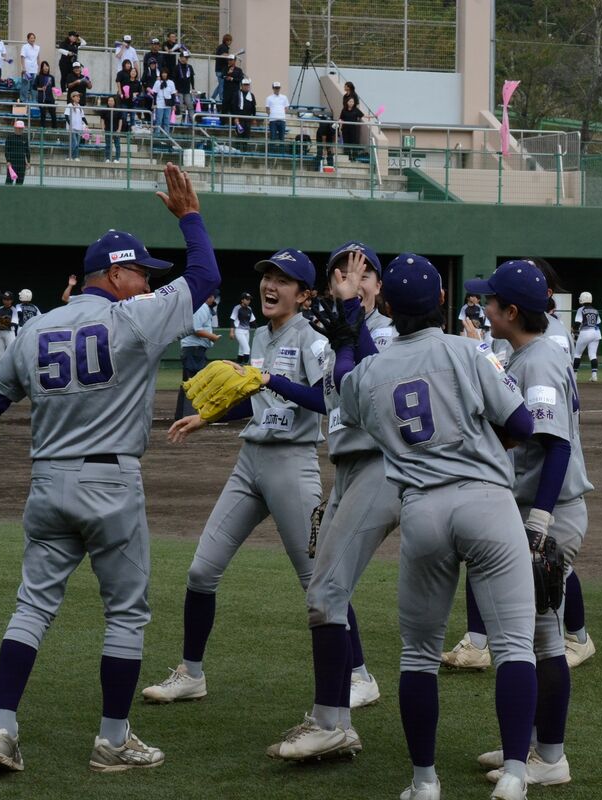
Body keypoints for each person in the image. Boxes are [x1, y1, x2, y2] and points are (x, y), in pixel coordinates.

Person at [0, 164, 219, 775]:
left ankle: (2, 729)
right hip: (110, 484)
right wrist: (190, 218)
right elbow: (206, 276)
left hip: (48, 484)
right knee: (126, 614)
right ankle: (113, 741)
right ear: (114, 274)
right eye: (140, 272)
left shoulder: (36, 328)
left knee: (32, 607)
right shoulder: (132, 318)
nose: (146, 282)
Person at [332, 252, 537, 800]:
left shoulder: (373, 371)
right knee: (515, 647)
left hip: (421, 509)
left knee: (417, 656)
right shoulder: (468, 350)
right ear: (444, 301)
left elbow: (346, 387)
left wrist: (350, 322)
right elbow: (521, 423)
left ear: (391, 307)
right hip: (486, 501)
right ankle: (516, 774)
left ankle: (424, 782)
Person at [143, 249, 330, 718]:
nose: (271, 284)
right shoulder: (263, 337)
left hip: (292, 465)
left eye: (284, 279)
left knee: (321, 585)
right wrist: (208, 417)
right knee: (201, 572)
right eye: (268, 275)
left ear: (305, 295)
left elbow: (325, 399)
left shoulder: (313, 339)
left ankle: (357, 674)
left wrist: (268, 377)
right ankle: (191, 674)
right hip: (250, 464)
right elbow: (257, 399)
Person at [262, 243, 404, 762]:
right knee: (330, 589)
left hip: (383, 468)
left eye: (362, 274)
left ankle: (333, 718)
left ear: (379, 286)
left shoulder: (390, 334)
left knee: (325, 590)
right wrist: (266, 380)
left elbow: (375, 383)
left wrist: (347, 320)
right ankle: (343, 706)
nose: (352, 281)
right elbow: (328, 398)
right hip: (348, 469)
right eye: (341, 274)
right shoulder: (336, 337)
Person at [463, 260, 592, 789]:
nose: (483, 307)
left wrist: (539, 523)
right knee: (526, 634)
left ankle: (551, 756)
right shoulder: (528, 353)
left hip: (549, 509)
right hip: (536, 506)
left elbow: (556, 446)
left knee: (542, 636)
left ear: (511, 312)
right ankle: (533, 743)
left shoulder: (537, 362)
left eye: (490, 302)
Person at [174, 292, 221, 420]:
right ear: (209, 297)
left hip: (193, 349)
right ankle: (189, 415)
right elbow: (195, 329)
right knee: (194, 382)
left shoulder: (199, 307)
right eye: (213, 297)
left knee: (189, 382)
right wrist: (213, 337)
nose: (214, 300)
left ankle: (182, 415)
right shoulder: (202, 308)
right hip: (194, 349)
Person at [571, 292, 602, 382]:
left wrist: (575, 332)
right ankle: (594, 375)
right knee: (592, 355)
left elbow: (577, 323)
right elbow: (599, 322)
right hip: (596, 332)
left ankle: (574, 375)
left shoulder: (581, 310)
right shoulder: (595, 310)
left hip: (585, 332)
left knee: (577, 354)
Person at [229, 291, 255, 364]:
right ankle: (246, 366)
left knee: (241, 350)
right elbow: (232, 319)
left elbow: (253, 321)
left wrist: (258, 329)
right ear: (242, 300)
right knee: (247, 349)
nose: (248, 301)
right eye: (247, 299)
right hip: (239, 331)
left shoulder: (249, 308)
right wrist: (231, 332)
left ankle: (238, 365)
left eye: (249, 299)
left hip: (247, 331)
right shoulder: (237, 308)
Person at [99, 95, 126, 163]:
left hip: (116, 130)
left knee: (117, 145)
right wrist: (102, 128)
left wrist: (119, 129)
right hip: (107, 129)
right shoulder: (104, 110)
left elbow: (120, 120)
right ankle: (107, 158)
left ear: (114, 102)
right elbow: (102, 120)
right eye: (109, 101)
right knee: (108, 145)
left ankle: (117, 158)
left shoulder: (118, 110)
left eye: (112, 101)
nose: (110, 102)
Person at [0, 291, 18, 358]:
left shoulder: (13, 310)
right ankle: (1, 368)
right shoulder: (0, 308)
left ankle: (10, 368)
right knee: (0, 354)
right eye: (4, 299)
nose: (6, 301)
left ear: (11, 300)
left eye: (8, 299)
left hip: (9, 333)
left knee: (11, 352)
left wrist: (1, 320)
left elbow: (14, 323)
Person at [4, 119, 30, 184]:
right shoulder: (10, 137)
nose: (20, 130)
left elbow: (27, 150)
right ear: (15, 128)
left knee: (20, 182)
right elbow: (7, 150)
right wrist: (8, 161)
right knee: (9, 181)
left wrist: (28, 161)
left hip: (22, 163)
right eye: (18, 128)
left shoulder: (25, 138)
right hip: (12, 163)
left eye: (21, 128)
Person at [65, 92, 86, 161]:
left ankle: (75, 156)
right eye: (76, 96)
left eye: (79, 97)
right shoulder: (69, 105)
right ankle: (69, 156)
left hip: (79, 128)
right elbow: (66, 116)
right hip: (72, 128)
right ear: (72, 97)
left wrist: (86, 124)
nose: (78, 98)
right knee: (75, 143)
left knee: (77, 143)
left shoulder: (79, 106)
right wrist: (70, 125)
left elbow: (83, 117)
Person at [19, 33, 39, 104]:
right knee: (26, 84)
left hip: (34, 69)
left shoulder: (37, 47)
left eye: (33, 38)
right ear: (27, 39)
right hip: (27, 69)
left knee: (34, 85)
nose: (32, 39)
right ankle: (23, 99)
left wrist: (38, 68)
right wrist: (23, 68)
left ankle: (34, 100)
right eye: (31, 38)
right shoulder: (25, 47)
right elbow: (22, 57)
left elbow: (37, 58)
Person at [34, 62, 56, 128]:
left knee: (53, 114)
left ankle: (54, 128)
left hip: (50, 97)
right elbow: (34, 87)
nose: (46, 67)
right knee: (43, 114)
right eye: (44, 66)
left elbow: (53, 87)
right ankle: (43, 128)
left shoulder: (51, 77)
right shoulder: (38, 76)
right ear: (42, 68)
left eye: (47, 66)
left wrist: (56, 91)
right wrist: (41, 88)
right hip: (42, 97)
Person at [212, 35, 232, 101]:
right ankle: (221, 99)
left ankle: (212, 98)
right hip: (221, 70)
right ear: (226, 41)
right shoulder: (224, 47)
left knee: (220, 84)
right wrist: (229, 57)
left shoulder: (221, 47)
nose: (230, 42)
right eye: (228, 40)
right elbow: (223, 56)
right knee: (222, 85)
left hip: (219, 69)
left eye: (230, 40)